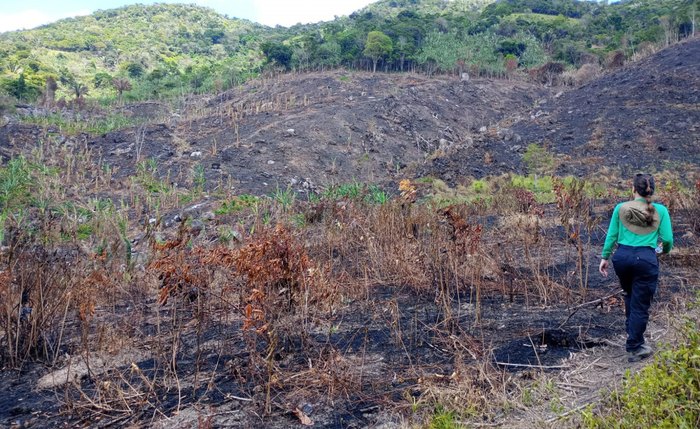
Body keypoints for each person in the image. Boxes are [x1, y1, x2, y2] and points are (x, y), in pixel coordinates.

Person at [599, 173, 673, 362]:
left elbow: (612, 236)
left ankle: (634, 336)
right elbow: (668, 240)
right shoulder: (661, 211)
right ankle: (635, 346)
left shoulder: (620, 208)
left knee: (630, 296)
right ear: (652, 191)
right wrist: (661, 251)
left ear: (633, 189)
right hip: (646, 258)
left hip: (622, 258)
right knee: (640, 302)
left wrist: (605, 257)